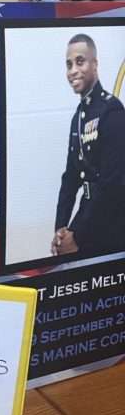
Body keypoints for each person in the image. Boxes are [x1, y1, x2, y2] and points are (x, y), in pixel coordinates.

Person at [51, 34, 125, 259]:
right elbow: (70, 177)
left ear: (95, 64)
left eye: (80, 61)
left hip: (111, 225)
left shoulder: (112, 111)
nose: (73, 70)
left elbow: (111, 184)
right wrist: (61, 229)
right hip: (87, 217)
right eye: (69, 64)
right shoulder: (79, 117)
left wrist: (77, 235)